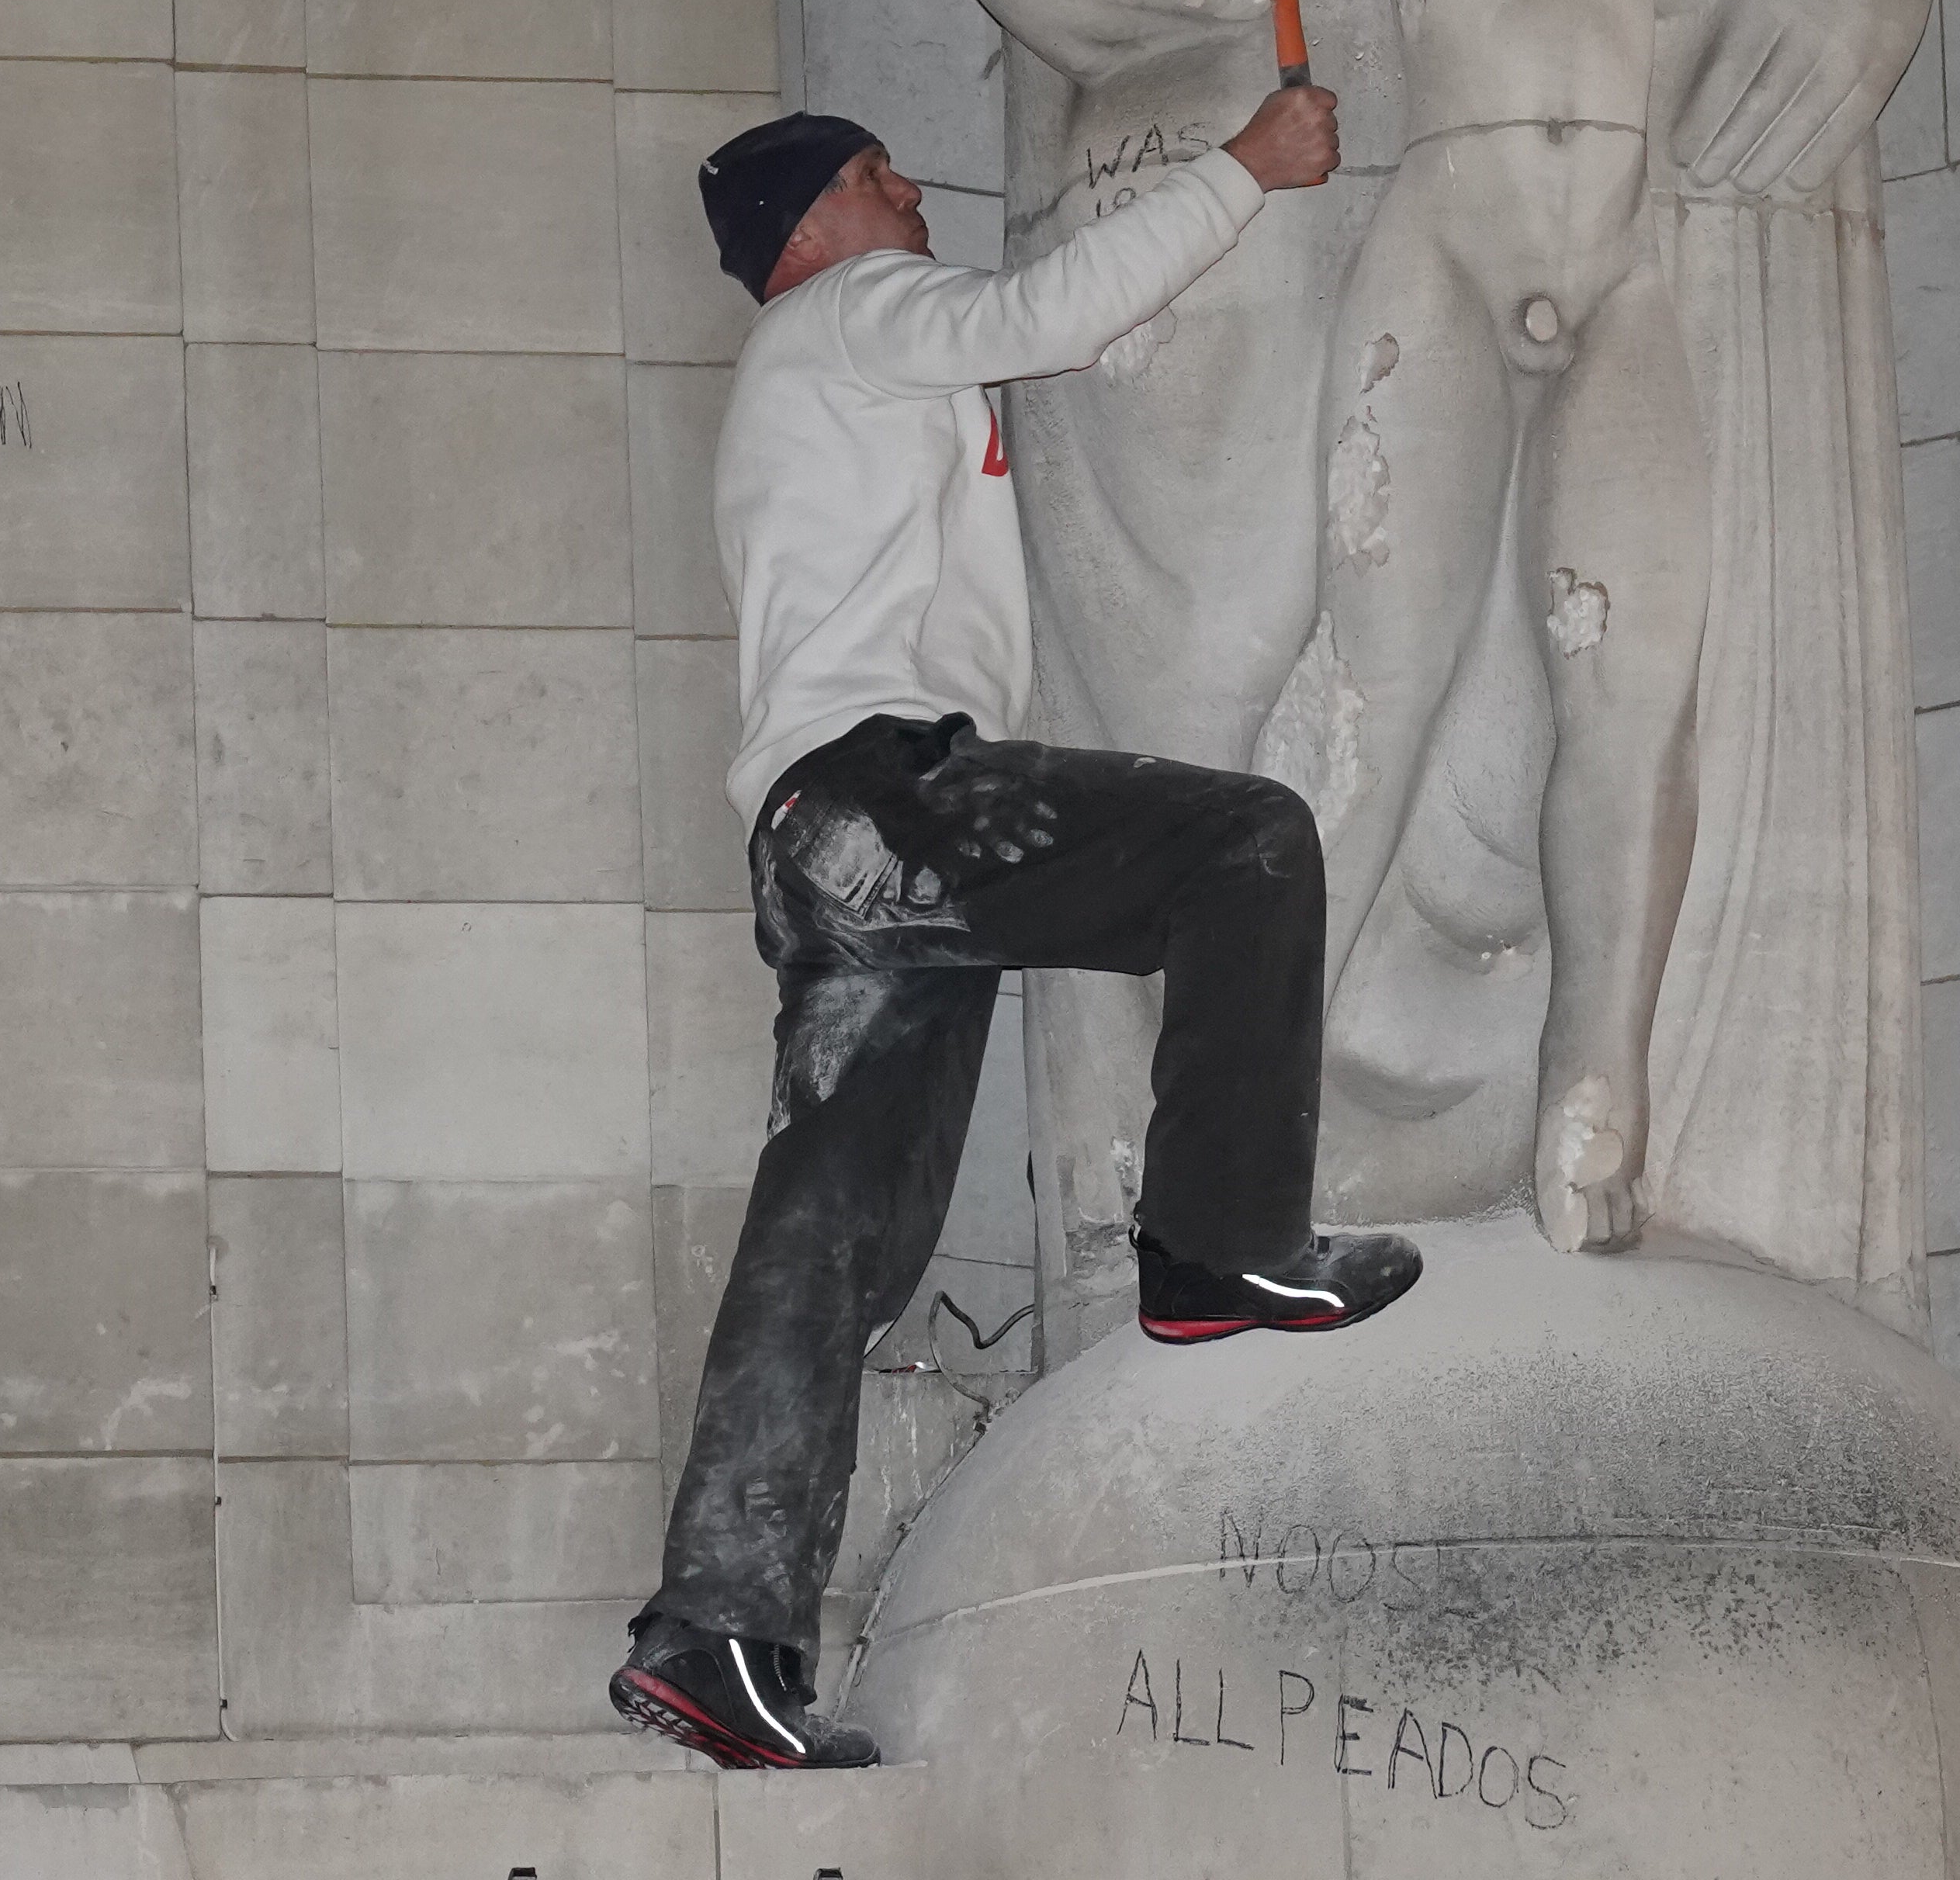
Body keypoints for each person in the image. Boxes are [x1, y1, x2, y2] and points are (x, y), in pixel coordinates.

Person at [1027, 0, 1960, 1252]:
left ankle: (1594, 1100)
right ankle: (1236, 1111)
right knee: (1371, 699)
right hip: (1445, 256)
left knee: (1630, 688)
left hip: (1618, 262)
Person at [608, 89, 1425, 1773]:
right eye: (868, 174)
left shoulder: (824, 369)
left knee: (829, 1249)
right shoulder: (855, 313)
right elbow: (1042, 314)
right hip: (893, 796)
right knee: (1247, 845)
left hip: (820, 848)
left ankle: (720, 1636)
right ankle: (1214, 1248)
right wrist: (1245, 170)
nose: (908, 187)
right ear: (805, 233)